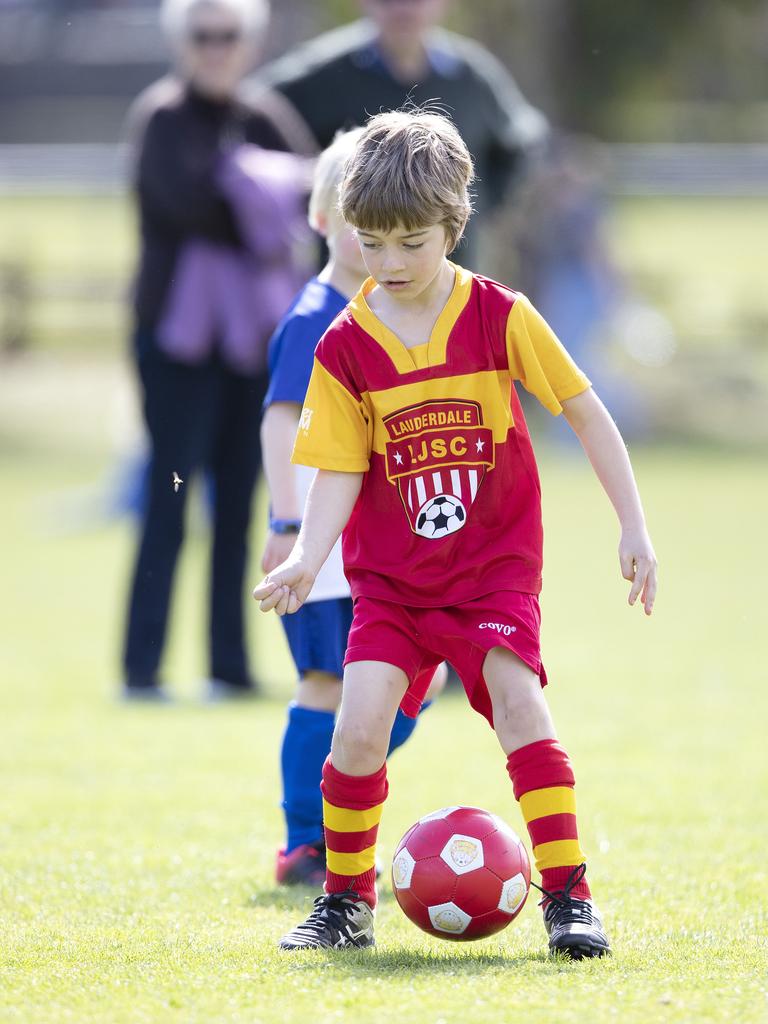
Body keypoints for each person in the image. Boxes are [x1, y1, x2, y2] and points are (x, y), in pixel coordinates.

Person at [253, 110, 658, 957]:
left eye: (411, 242)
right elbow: (339, 469)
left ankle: (568, 899)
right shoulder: (344, 345)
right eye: (372, 243)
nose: (390, 263)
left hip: (490, 577)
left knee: (520, 707)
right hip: (394, 585)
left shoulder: (499, 316)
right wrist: (304, 557)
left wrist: (634, 524)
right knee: (358, 727)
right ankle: (346, 903)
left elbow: (586, 413)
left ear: (453, 225)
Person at [260, 129, 446, 886]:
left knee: (419, 681)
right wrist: (286, 521)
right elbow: (277, 419)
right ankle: (308, 838)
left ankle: (343, 789)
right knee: (326, 684)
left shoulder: (388, 312)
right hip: (320, 542)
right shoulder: (313, 321)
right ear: (323, 221)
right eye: (352, 215)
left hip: (381, 540)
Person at [121, 0, 311, 701]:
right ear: (182, 43)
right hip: (176, 344)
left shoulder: (265, 117)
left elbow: (308, 197)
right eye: (203, 36)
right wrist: (256, 194)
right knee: (169, 500)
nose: (216, 48)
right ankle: (141, 670)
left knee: (239, 502)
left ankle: (227, 666)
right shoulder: (162, 118)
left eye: (229, 36)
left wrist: (249, 190)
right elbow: (180, 203)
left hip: (249, 347)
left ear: (248, 43)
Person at [252, 0, 548, 268]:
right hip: (356, 286)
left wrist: (475, 203)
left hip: (452, 281)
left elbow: (522, 142)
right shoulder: (322, 72)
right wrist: (308, 195)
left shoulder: (470, 76)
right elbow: (251, 115)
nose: (403, 10)